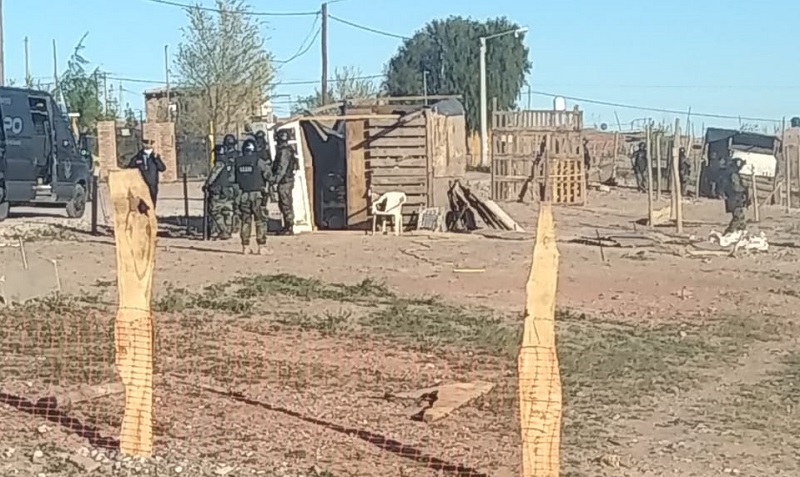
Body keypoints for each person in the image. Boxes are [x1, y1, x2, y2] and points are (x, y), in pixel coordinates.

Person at [235, 139, 272, 254]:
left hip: (243, 195)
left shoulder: (237, 161)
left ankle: (245, 247)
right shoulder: (258, 161)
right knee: (260, 220)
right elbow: (269, 175)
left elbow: (233, 179)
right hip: (257, 195)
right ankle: (262, 246)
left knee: (245, 221)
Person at [202, 146, 236, 240]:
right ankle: (228, 231)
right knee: (227, 211)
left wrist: (207, 184)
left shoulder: (220, 163)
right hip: (229, 189)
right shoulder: (230, 162)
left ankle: (224, 230)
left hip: (218, 190)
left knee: (214, 210)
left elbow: (214, 174)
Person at [272, 129, 297, 235]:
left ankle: (289, 227)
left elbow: (282, 167)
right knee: (285, 203)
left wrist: (275, 180)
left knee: (285, 203)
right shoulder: (287, 150)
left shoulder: (284, 151)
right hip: (286, 180)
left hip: (285, 181)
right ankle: (287, 226)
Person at [127, 137, 166, 207]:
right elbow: (130, 168)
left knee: (152, 201)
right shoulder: (138, 157)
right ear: (143, 144)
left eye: (150, 144)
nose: (148, 145)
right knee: (142, 203)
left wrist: (156, 158)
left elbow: (162, 168)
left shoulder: (155, 157)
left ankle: (152, 215)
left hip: (152, 184)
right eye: (145, 143)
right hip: (141, 184)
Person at [722, 157, 749, 235]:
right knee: (737, 217)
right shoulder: (733, 175)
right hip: (734, 199)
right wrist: (744, 188)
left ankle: (741, 233)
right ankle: (729, 233)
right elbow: (736, 187)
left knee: (741, 218)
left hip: (735, 199)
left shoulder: (732, 173)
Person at [222, 134, 242, 234]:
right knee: (234, 206)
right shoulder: (239, 155)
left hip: (231, 184)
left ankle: (230, 226)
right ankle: (234, 226)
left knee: (230, 206)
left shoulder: (223, 156)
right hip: (234, 184)